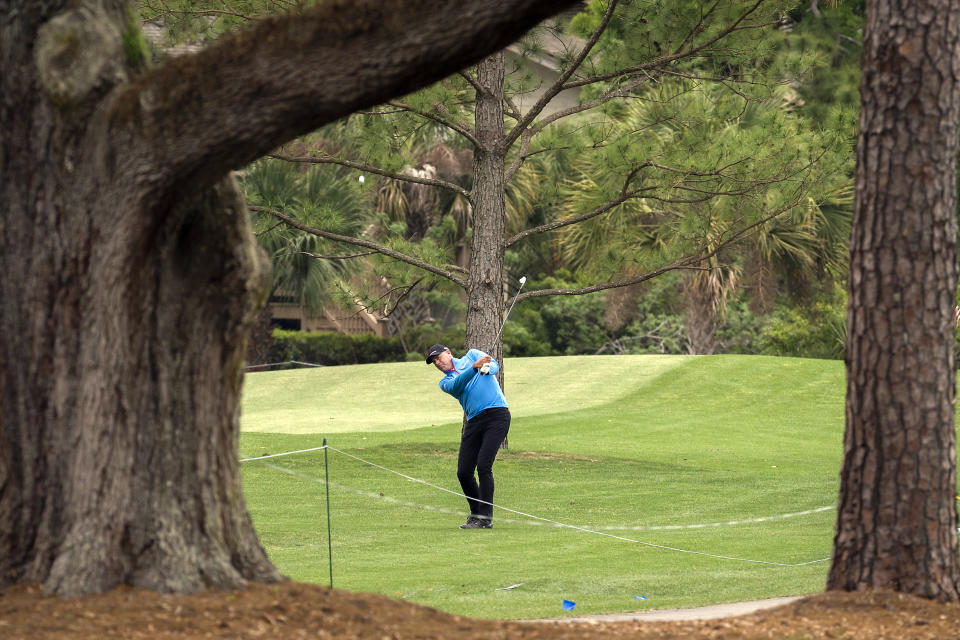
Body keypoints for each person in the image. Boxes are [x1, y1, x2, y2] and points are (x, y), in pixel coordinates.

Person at [425, 343, 511, 529]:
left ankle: (485, 518)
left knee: (483, 465)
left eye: (439, 357)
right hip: (474, 422)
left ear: (448, 352)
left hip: (497, 415)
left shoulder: (472, 355)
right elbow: (458, 385)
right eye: (434, 362)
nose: (437, 363)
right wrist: (474, 369)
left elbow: (494, 365)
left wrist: (485, 369)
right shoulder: (445, 383)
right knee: (463, 472)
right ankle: (476, 513)